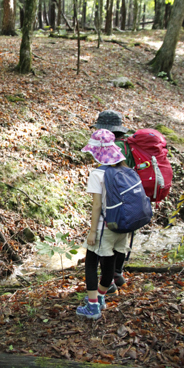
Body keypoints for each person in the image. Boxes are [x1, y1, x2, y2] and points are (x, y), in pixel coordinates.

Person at [76, 129, 131, 320]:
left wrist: (92, 232)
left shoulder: (98, 174)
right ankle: (100, 297)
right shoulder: (126, 170)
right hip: (122, 227)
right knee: (110, 263)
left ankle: (92, 307)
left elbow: (97, 205)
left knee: (91, 263)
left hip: (104, 227)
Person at [91, 110, 134, 294]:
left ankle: (108, 284)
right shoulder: (128, 145)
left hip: (112, 207)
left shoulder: (112, 146)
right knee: (121, 242)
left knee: (106, 247)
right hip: (132, 202)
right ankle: (118, 274)